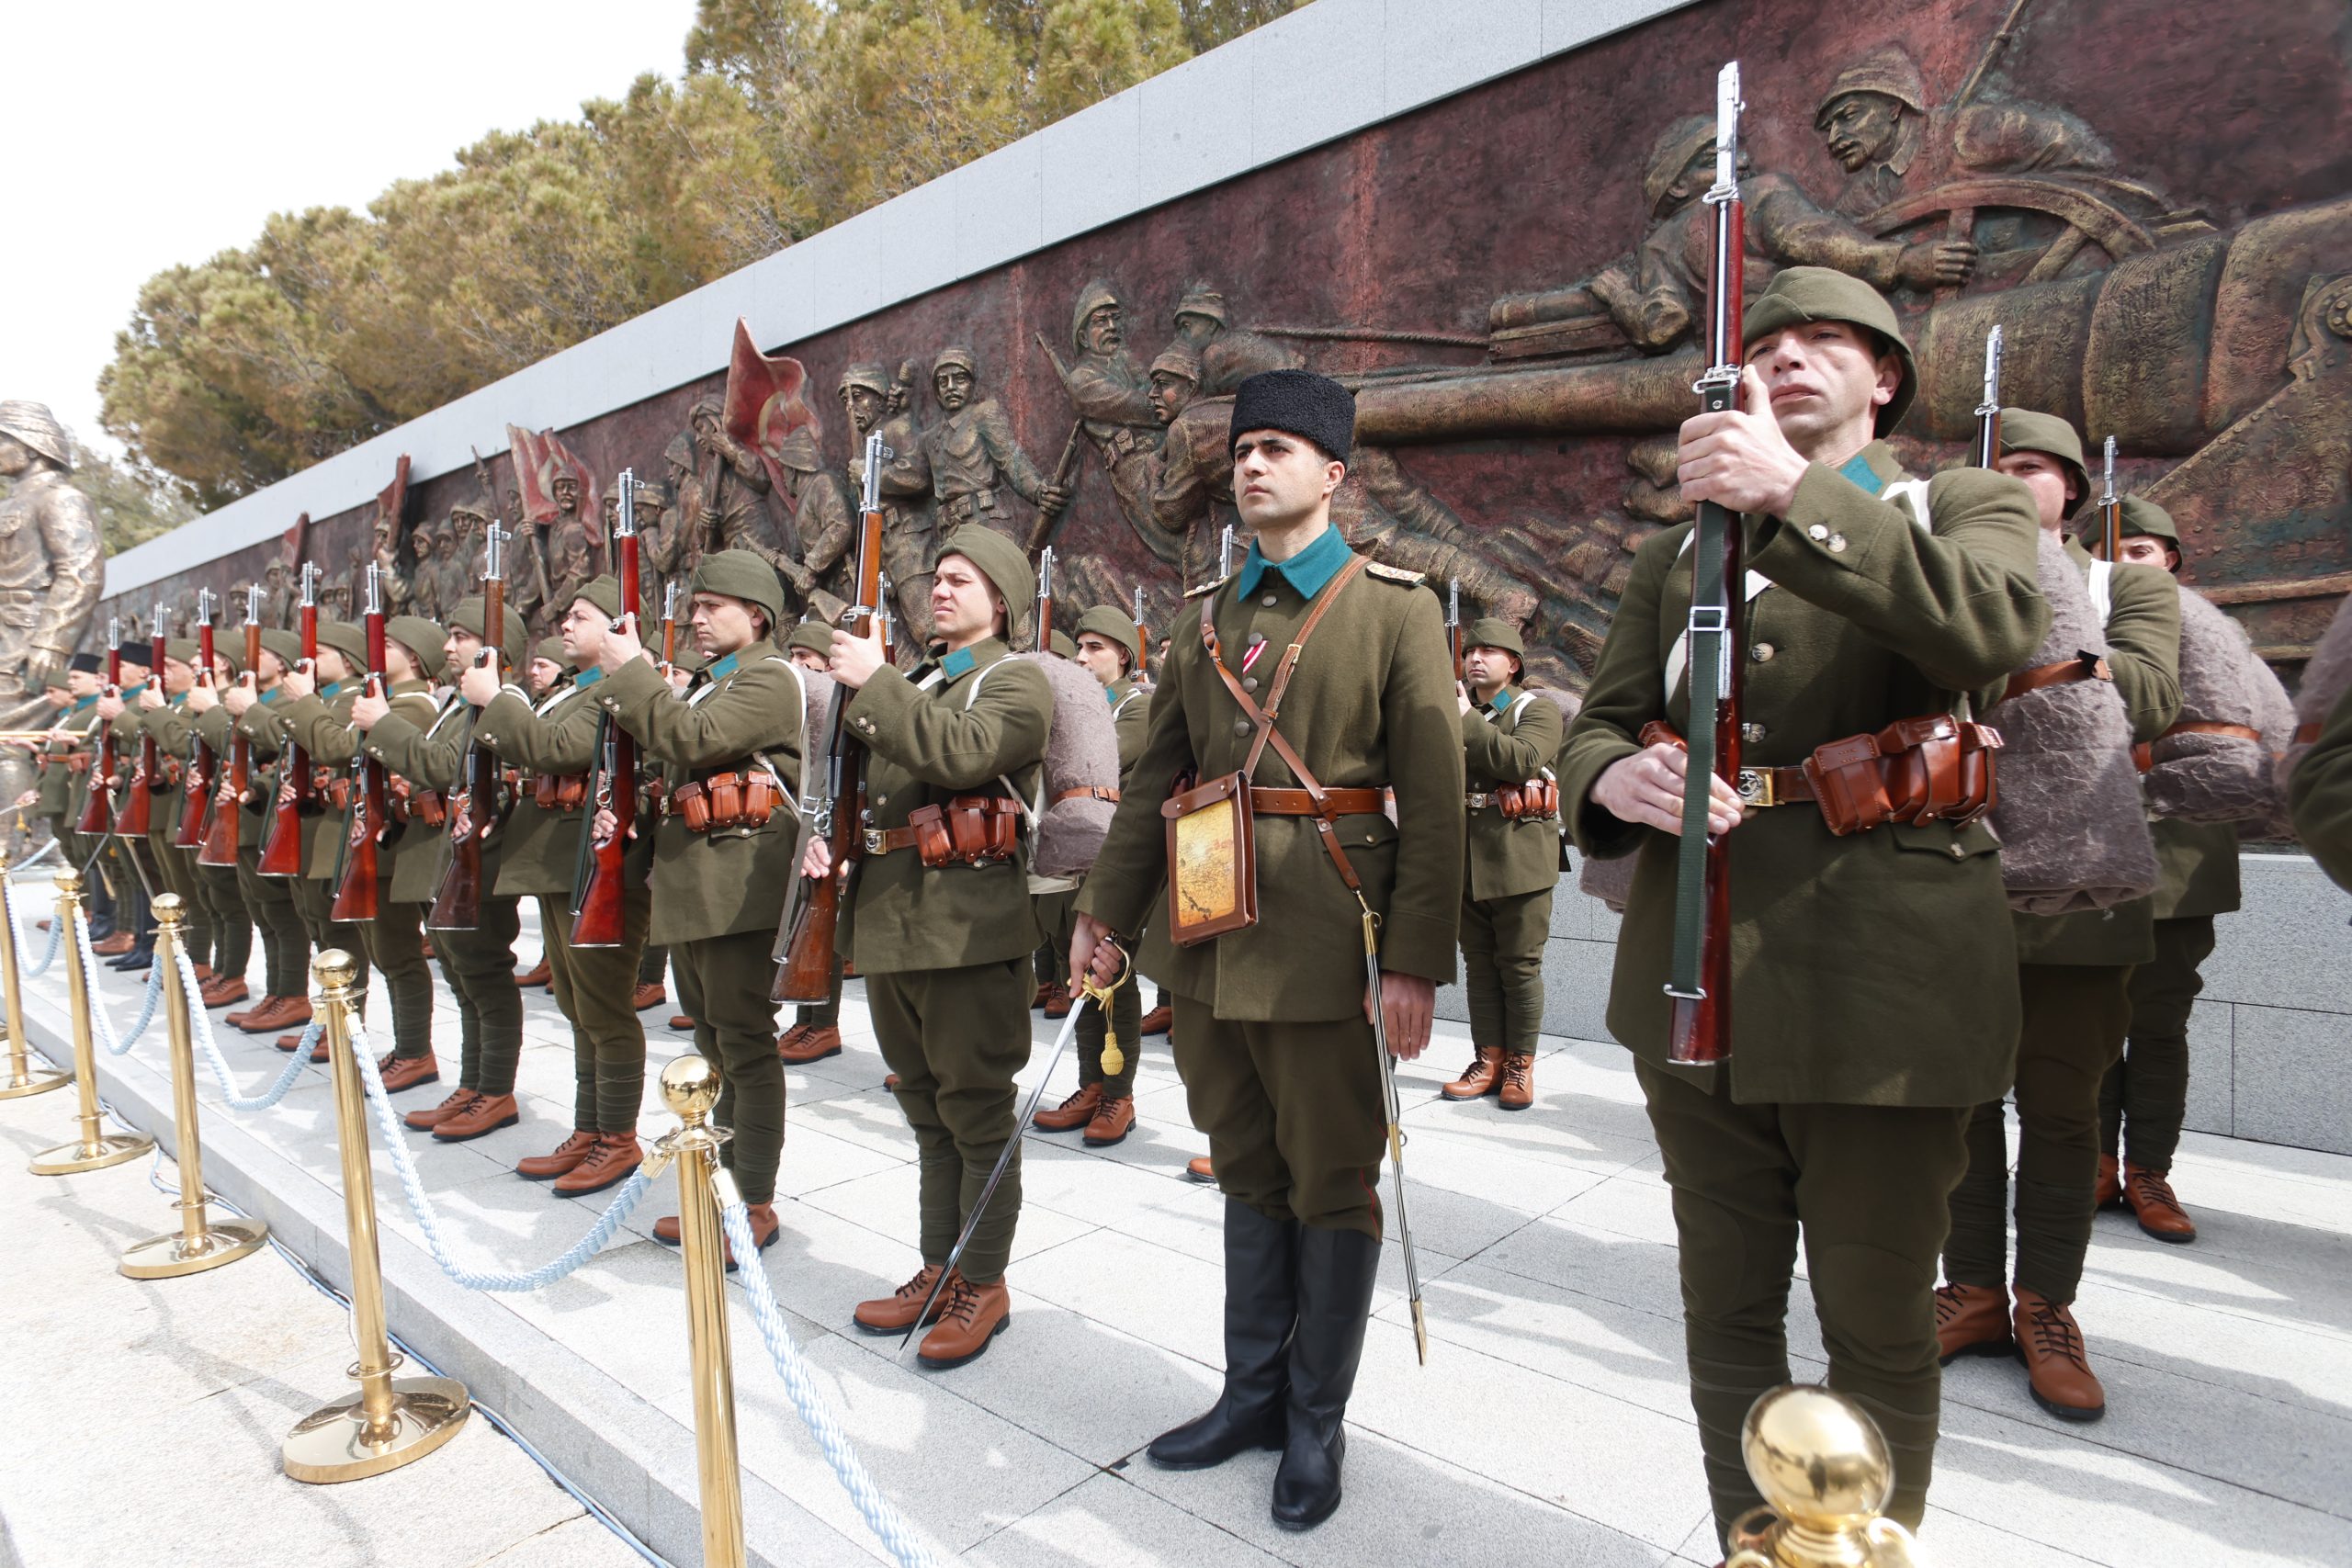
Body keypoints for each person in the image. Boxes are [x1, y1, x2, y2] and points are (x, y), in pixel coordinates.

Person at [1555, 268, 2045, 1542]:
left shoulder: (1960, 502)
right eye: (1763, 343)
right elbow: (1600, 718)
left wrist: (1792, 493)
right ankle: (1751, 1538)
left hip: (1886, 986)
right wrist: (1619, 773)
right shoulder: (1677, 553)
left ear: (1885, 377)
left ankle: (1868, 1545)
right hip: (1695, 970)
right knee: (1725, 1307)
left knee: (1876, 1315)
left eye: (1824, 341)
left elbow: (1992, 628)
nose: (1786, 359)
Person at [1069, 368, 1464, 1529]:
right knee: (1244, 1166)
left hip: (1328, 934)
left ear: (1333, 475)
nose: (1253, 465)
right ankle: (1248, 1395)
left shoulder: (1392, 609)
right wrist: (1105, 913)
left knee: (1331, 1180)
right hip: (1207, 938)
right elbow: (1152, 783)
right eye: (1245, 448)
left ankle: (1312, 1422)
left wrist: (1414, 962)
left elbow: (1435, 802)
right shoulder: (1201, 618)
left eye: (1281, 448)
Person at [1936, 413, 2180, 1426]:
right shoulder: (1945, 572)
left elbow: (2157, 700)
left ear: (2071, 491)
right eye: (1989, 469)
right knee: (1957, 1100)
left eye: (2026, 470)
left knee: (2061, 1108)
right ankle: (1973, 1288)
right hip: (1959, 875)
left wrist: (2047, 641)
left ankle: (2045, 1305)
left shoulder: (2129, 585)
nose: (2005, 483)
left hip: (2081, 881)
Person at [805, 526, 1054, 1367]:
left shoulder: (1017, 681)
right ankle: (939, 1265)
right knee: (923, 1108)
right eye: (937, 578)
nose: (940, 590)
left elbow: (963, 753)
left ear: (1004, 601)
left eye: (963, 580)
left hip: (968, 931)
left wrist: (874, 680)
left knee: (977, 1110)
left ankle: (983, 1281)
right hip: (894, 923)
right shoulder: (913, 681)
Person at [591, 549, 803, 1258]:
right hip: (697, 889)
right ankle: (722, 1188)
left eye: (715, 606)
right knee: (714, 1042)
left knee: (744, 1041)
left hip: (739, 891)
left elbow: (693, 738)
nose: (698, 617)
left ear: (758, 615)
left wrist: (631, 671)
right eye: (696, 604)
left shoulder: (771, 679)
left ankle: (754, 1199)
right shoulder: (713, 684)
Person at [472, 577, 652, 1194]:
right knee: (579, 1007)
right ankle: (590, 1128)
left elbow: (557, 749)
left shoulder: (611, 690)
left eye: (581, 616)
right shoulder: (573, 691)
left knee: (604, 1006)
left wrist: (499, 698)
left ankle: (619, 1136)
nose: (566, 624)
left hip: (594, 863)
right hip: (559, 865)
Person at [2088, 501, 2234, 1245]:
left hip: (2177, 849)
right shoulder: (2073, 618)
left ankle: (2149, 1168)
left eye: (2140, 548)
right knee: (2086, 1018)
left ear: (2170, 558)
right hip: (2083, 846)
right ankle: (2095, 1162)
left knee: (2157, 1019)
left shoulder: (2207, 633)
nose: (2126, 561)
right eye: (2113, 549)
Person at [354, 599, 529, 1142]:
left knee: (485, 976)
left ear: (495, 647)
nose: (449, 647)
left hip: (479, 862)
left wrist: (383, 724)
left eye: (461, 636)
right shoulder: (461, 705)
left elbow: (442, 765)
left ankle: (494, 1090)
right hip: (448, 860)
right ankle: (473, 1086)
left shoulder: (505, 701)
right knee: (462, 977)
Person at [1034, 605, 1153, 1146]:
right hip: (1065, 853)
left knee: (1113, 976)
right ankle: (1088, 1083)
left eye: (1095, 649)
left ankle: (1118, 1094)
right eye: (1077, 648)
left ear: (1124, 656)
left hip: (1113, 856)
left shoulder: (1135, 707)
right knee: (1071, 970)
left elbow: (1097, 759)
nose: (1081, 658)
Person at [1439, 619, 1566, 1111]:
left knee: (1519, 965)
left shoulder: (1537, 709)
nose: (1476, 659)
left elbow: (1523, 760)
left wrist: (1465, 717)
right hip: (1467, 857)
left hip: (1519, 860)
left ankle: (1520, 1065)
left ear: (1512, 664)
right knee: (1479, 965)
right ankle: (1487, 1059)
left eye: (1490, 652)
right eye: (1471, 650)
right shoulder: (1458, 712)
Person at [268, 619, 376, 1056]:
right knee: (315, 926)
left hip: (334, 831)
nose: (309, 662)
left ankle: (350, 1028)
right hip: (309, 827)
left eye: (323, 653)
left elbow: (338, 748)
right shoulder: (321, 699)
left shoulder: (354, 698)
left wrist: (305, 703)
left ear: (348, 660)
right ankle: (329, 1017)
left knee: (340, 938)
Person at [219, 628, 312, 1030]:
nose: (250, 659)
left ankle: (292, 994)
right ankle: (276, 993)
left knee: (282, 913)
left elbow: (291, 744)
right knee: (262, 913)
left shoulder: (282, 702)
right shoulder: (254, 700)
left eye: (264, 652)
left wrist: (250, 710)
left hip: (272, 819)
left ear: (283, 663)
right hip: (248, 814)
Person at [778, 620, 847, 1066]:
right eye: (795, 657)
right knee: (807, 919)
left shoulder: (833, 700)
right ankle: (806, 1017)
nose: (799, 666)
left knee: (825, 921)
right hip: (805, 821)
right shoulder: (797, 703)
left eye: (809, 659)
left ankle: (823, 1024)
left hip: (829, 826)